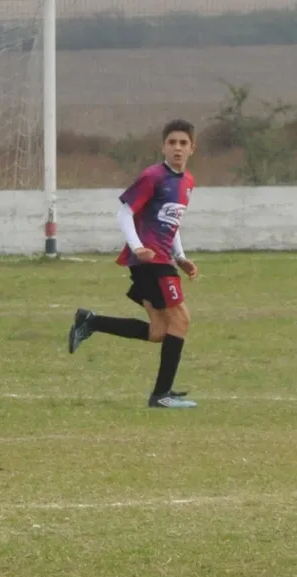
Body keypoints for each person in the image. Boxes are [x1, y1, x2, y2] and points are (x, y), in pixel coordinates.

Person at [68, 119, 199, 408]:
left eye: (183, 143)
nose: (177, 148)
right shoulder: (153, 176)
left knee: (159, 332)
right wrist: (138, 247)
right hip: (149, 261)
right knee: (182, 320)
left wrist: (181, 257)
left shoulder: (187, 182)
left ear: (192, 148)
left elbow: (171, 222)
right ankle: (161, 396)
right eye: (172, 142)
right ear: (163, 146)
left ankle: (90, 321)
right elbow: (124, 214)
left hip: (164, 260)